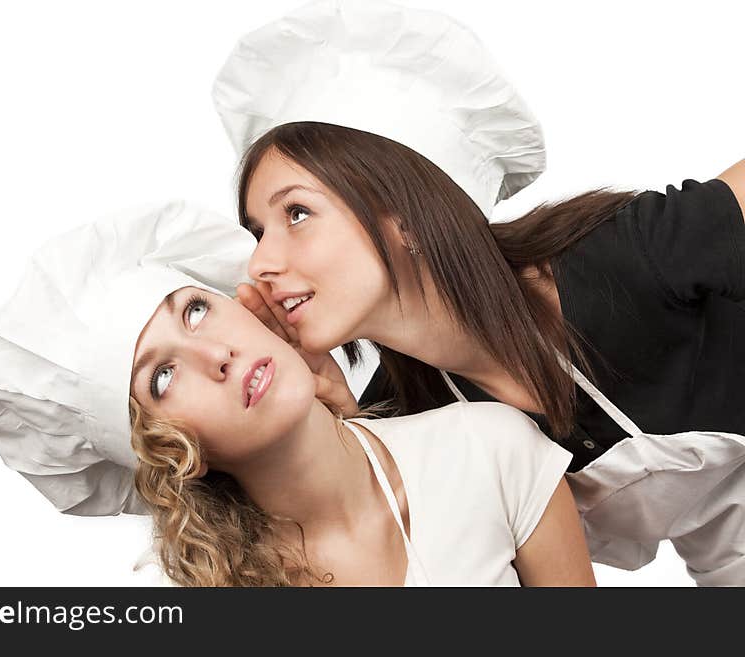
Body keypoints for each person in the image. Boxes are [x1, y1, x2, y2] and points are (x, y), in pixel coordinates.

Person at [212, 0, 745, 584]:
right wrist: (353, 433)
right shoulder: (418, 414)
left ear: (406, 216)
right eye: (258, 232)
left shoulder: (622, 259)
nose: (261, 261)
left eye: (296, 212)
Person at [0, 201, 594, 586]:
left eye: (194, 311)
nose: (216, 355)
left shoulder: (488, 448)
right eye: (162, 376)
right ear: (169, 452)